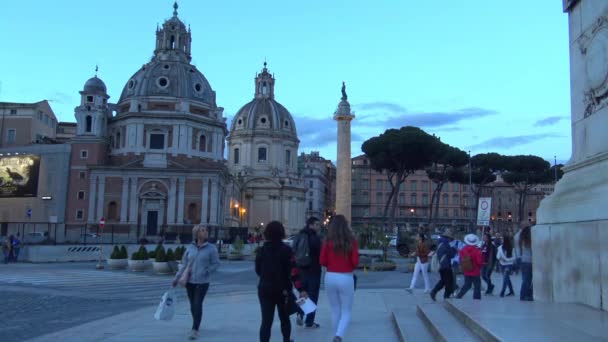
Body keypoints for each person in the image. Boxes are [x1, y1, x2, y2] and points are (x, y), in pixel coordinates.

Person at [255, 221, 307, 342]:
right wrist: (301, 289)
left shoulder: (261, 251)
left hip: (265, 288)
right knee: (284, 318)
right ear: (282, 233)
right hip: (282, 289)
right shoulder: (287, 250)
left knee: (266, 321)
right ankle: (286, 339)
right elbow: (294, 273)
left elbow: (258, 270)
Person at [172, 225, 220, 340]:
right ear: (197, 234)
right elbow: (184, 264)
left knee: (197, 304)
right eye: (202, 231)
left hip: (203, 282)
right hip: (189, 281)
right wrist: (176, 278)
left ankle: (195, 329)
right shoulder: (190, 248)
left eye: (206, 230)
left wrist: (207, 271)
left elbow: (216, 263)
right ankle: (196, 323)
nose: (205, 232)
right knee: (192, 305)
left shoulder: (211, 248)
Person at [320, 215, 359, 342]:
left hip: (330, 276)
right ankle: (339, 336)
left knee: (335, 309)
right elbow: (355, 262)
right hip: (346, 276)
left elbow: (322, 260)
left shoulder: (327, 240)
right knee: (346, 310)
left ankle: (336, 334)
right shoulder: (351, 241)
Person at [295, 217, 323, 328]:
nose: (318, 226)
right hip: (314, 270)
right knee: (313, 296)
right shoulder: (315, 238)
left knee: (303, 293)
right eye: (316, 224)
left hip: (301, 269)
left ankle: (300, 313)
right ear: (310, 225)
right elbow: (320, 254)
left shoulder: (299, 235)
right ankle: (309, 321)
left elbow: (294, 250)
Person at [429, 229, 457, 301]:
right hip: (446, 265)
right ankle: (446, 296)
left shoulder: (440, 243)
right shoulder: (446, 245)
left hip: (441, 265)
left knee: (443, 281)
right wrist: (454, 249)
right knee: (449, 281)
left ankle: (434, 292)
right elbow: (451, 254)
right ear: (448, 238)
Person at [456, 234, 484, 300]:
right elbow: (479, 262)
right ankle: (476, 299)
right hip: (475, 271)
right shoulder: (477, 250)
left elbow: (460, 259)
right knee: (477, 286)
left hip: (466, 270)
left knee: (467, 285)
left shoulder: (463, 250)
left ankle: (459, 296)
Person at [515, 226, 533, 301]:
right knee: (527, 279)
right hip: (529, 261)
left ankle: (526, 294)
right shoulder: (528, 241)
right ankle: (524, 295)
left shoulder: (521, 240)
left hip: (523, 261)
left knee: (526, 279)